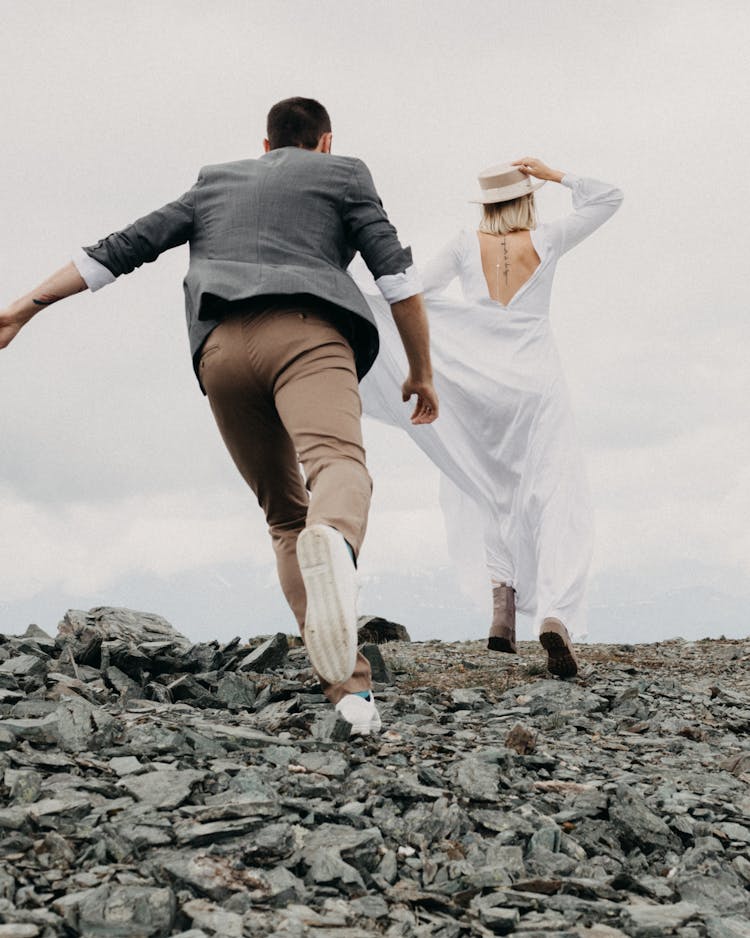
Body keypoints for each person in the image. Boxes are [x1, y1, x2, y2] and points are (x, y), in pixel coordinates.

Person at [0, 97, 438, 734]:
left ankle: (350, 696)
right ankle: (339, 544)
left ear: (264, 147)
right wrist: (421, 370)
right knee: (338, 468)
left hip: (221, 351)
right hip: (307, 332)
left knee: (285, 515)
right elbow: (396, 276)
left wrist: (23, 308)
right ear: (325, 142)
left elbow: (122, 248)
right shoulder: (343, 173)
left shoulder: (214, 182)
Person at [359, 157, 623, 678]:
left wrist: (353, 297)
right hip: (536, 384)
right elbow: (609, 197)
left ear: (486, 205)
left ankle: (502, 615)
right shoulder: (546, 240)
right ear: (526, 200)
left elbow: (410, 294)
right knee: (554, 492)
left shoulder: (463, 244)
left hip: (479, 383)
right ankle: (554, 613)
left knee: (488, 487)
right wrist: (556, 175)